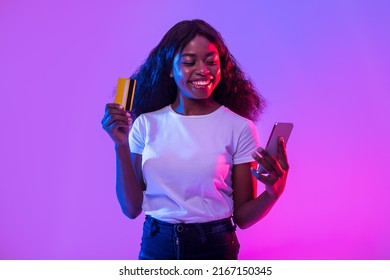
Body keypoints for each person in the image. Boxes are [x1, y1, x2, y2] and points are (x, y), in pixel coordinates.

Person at [101, 19, 289, 260]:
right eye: (190, 62)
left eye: (211, 61)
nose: (203, 70)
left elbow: (242, 217)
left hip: (215, 247)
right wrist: (120, 145)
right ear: (170, 69)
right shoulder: (146, 124)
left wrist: (273, 192)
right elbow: (131, 208)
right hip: (157, 246)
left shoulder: (239, 127)